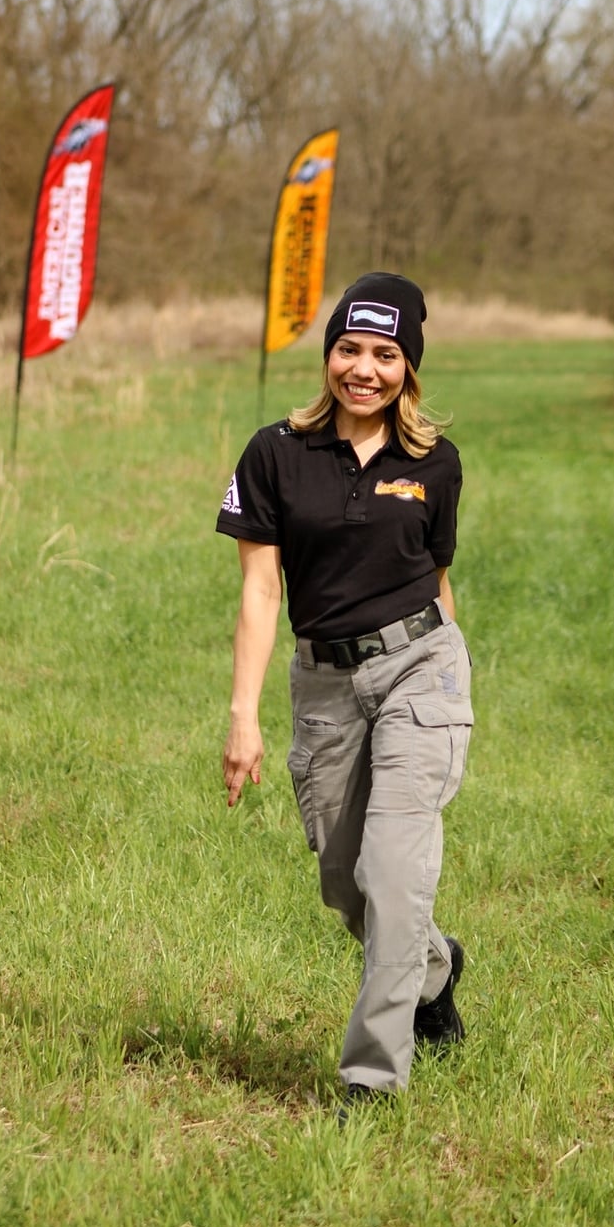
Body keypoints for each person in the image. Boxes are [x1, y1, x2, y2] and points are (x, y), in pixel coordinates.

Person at [216, 271, 473, 1110]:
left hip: (418, 670)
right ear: (328, 354)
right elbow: (260, 592)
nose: (364, 369)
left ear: (410, 368)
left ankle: (370, 1077)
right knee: (346, 883)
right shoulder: (275, 453)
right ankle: (434, 968)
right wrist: (243, 717)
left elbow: (437, 583)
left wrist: (447, 697)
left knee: (394, 871)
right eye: (349, 349)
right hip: (323, 684)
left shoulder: (435, 462)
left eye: (386, 354)